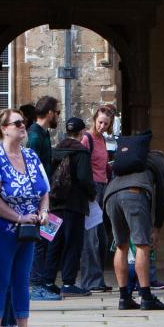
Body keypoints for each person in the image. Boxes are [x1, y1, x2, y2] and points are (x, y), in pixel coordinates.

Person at [0, 107, 52, 327]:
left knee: (22, 278)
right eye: (18, 123)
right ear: (4, 129)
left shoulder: (31, 156)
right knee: (1, 278)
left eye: (24, 123)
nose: (23, 127)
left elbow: (44, 191)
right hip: (1, 228)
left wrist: (43, 212)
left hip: (28, 229)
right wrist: (17, 217)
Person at [103, 144, 164, 311]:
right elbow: (162, 197)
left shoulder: (130, 161)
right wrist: (157, 227)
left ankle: (124, 298)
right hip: (133, 195)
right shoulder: (159, 160)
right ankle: (147, 297)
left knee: (121, 245)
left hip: (110, 196)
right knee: (142, 245)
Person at [46, 116, 95, 295]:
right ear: (82, 133)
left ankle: (48, 280)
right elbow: (84, 179)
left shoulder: (56, 150)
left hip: (53, 204)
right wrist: (92, 195)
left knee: (52, 241)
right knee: (73, 243)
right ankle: (68, 283)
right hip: (74, 205)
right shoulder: (81, 153)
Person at [26, 96, 64, 301]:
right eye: (57, 112)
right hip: (37, 197)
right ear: (49, 112)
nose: (58, 116)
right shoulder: (35, 136)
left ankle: (43, 281)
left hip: (44, 195)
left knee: (46, 239)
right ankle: (36, 285)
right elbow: (32, 169)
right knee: (39, 242)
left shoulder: (43, 134)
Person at [76, 104, 116, 291]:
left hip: (102, 188)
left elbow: (102, 166)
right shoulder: (87, 138)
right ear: (94, 120)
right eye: (100, 122)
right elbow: (80, 165)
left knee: (101, 239)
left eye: (106, 124)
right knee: (90, 238)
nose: (102, 126)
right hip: (90, 191)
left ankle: (97, 278)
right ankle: (89, 281)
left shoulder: (102, 140)